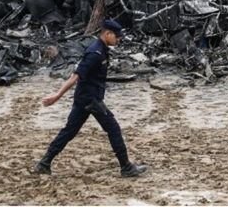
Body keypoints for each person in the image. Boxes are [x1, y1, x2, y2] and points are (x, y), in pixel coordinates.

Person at [33, 20, 147, 178]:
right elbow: (75, 76)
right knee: (113, 129)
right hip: (90, 100)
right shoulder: (95, 53)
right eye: (117, 37)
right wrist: (57, 96)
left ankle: (44, 164)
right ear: (107, 34)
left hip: (84, 98)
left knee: (69, 131)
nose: (119, 40)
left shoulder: (101, 48)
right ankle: (126, 167)